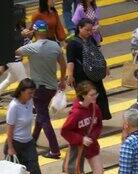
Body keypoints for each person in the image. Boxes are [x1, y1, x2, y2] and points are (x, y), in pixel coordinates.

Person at [0, 79, 58, 174]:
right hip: (15, 143)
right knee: (9, 169)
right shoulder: (14, 107)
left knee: (35, 169)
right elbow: (9, 129)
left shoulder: (29, 101)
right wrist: (10, 147)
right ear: (21, 91)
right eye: (29, 93)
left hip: (28, 142)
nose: (32, 95)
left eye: (33, 93)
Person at [61, 81, 113, 174]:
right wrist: (80, 139)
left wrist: (91, 137)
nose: (95, 96)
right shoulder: (75, 113)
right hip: (78, 149)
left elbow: (99, 125)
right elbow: (65, 131)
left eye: (95, 94)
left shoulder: (95, 108)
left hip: (92, 147)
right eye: (92, 95)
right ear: (83, 96)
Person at [16, 20, 67, 160]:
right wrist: (62, 80)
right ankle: (33, 139)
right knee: (41, 112)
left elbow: (16, 52)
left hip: (38, 89)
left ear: (35, 32)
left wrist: (23, 36)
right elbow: (63, 65)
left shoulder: (32, 47)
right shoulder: (55, 46)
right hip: (51, 87)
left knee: (44, 118)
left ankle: (55, 150)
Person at [66, 18, 111, 120]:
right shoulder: (72, 43)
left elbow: (98, 54)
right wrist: (70, 75)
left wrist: (105, 66)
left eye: (91, 30)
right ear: (79, 28)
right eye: (87, 30)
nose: (89, 32)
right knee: (85, 99)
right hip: (81, 77)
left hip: (95, 74)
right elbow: (70, 61)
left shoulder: (91, 39)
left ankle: (97, 119)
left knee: (99, 97)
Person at [0, 5, 30, 93]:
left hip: (17, 58)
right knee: (26, 83)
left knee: (10, 80)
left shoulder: (19, 25)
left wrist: (29, 35)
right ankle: (32, 105)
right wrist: (21, 35)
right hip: (13, 60)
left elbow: (25, 41)